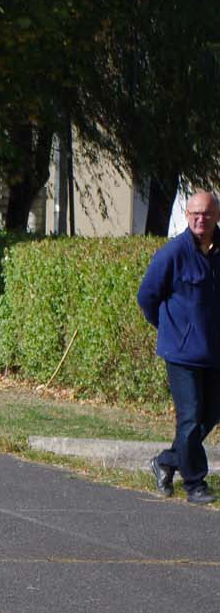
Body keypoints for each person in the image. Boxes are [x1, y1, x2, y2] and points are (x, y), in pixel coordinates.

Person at [138, 189, 220, 504]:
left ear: (216, 216)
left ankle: (165, 461)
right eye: (195, 214)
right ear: (186, 216)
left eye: (207, 213)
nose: (201, 219)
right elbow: (147, 296)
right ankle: (195, 484)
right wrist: (171, 330)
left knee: (208, 416)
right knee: (190, 417)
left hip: (214, 353)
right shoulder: (172, 253)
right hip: (182, 354)